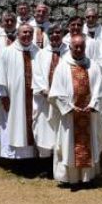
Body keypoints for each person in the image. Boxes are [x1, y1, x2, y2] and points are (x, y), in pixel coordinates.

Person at [49, 34, 102, 187]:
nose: (79, 49)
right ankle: (71, 178)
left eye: (82, 46)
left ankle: (87, 177)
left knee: (89, 144)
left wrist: (93, 105)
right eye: (76, 46)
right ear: (70, 47)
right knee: (68, 147)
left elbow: (100, 91)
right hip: (70, 117)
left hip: (89, 115)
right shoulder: (62, 66)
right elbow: (56, 92)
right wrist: (70, 107)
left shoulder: (93, 66)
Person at [0, 24, 46, 161]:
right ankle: (14, 159)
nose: (27, 35)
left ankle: (32, 158)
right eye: (24, 32)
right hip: (13, 100)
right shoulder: (7, 52)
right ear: (18, 34)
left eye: (29, 32)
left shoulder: (38, 52)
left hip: (34, 99)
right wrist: (3, 96)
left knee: (33, 126)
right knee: (13, 126)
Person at [31, 24, 68, 164]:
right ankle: (46, 163)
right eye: (51, 33)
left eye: (58, 32)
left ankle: (61, 160)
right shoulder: (41, 54)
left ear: (62, 34)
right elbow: (37, 74)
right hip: (45, 100)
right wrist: (44, 90)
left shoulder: (69, 53)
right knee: (45, 130)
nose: (54, 35)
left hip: (63, 101)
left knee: (61, 130)